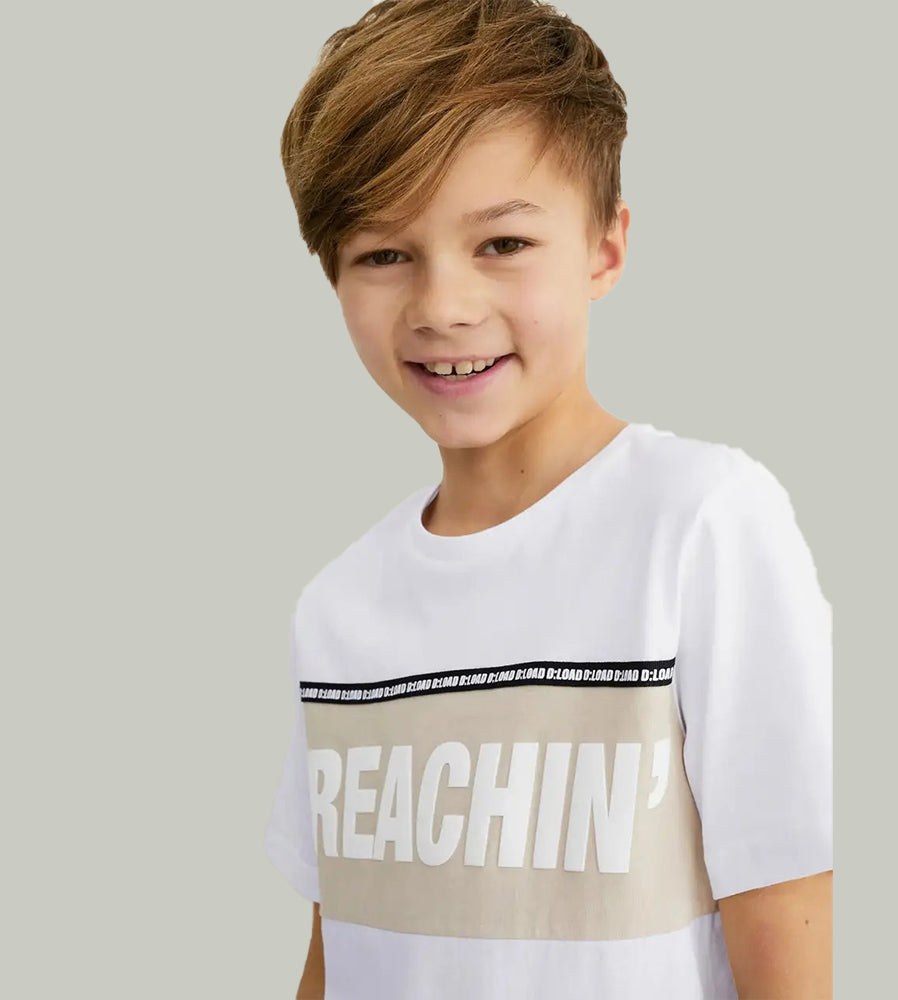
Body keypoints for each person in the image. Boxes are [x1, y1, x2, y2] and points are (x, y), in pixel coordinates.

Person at [263, 2, 833, 998]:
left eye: (502, 243)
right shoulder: (338, 606)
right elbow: (341, 941)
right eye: (384, 254)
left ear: (605, 248)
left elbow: (788, 929)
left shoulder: (701, 525)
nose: (443, 307)